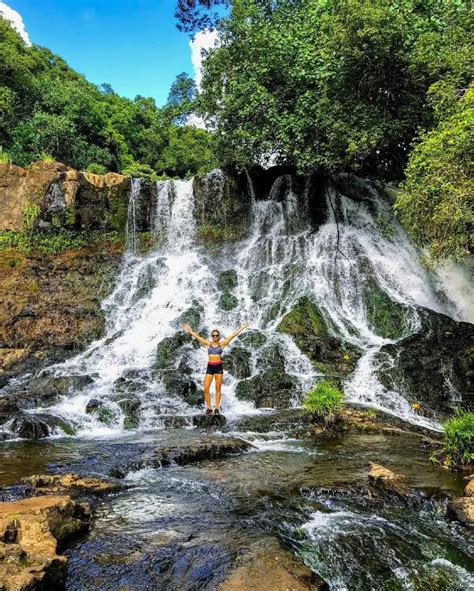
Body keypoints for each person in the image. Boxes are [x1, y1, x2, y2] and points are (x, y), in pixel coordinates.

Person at [181, 322, 249, 415]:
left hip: (218, 367)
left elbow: (233, 335)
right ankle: (209, 408)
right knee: (206, 388)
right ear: (212, 336)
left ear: (219, 336)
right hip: (210, 367)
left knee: (218, 388)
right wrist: (189, 330)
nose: (215, 337)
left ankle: (216, 409)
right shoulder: (208, 344)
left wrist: (241, 328)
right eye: (213, 335)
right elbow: (197, 337)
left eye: (217, 335)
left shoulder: (222, 344)